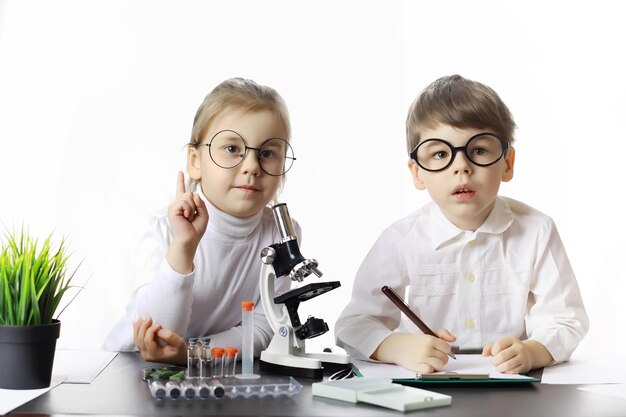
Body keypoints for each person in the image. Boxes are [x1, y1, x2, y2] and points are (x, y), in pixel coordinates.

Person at [335, 74, 588, 375]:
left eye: (478, 150)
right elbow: (354, 324)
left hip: (507, 386)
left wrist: (532, 352)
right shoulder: (401, 240)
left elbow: (565, 318)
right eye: (440, 154)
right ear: (417, 173)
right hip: (425, 382)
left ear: (507, 164)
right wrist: (398, 347)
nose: (461, 166)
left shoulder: (537, 230)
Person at [104, 77, 298, 365]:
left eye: (268, 153)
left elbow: (264, 326)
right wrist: (183, 246)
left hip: (206, 367)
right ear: (195, 161)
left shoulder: (280, 232)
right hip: (132, 366)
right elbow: (158, 337)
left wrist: (193, 353)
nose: (251, 167)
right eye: (232, 149)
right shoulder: (163, 228)